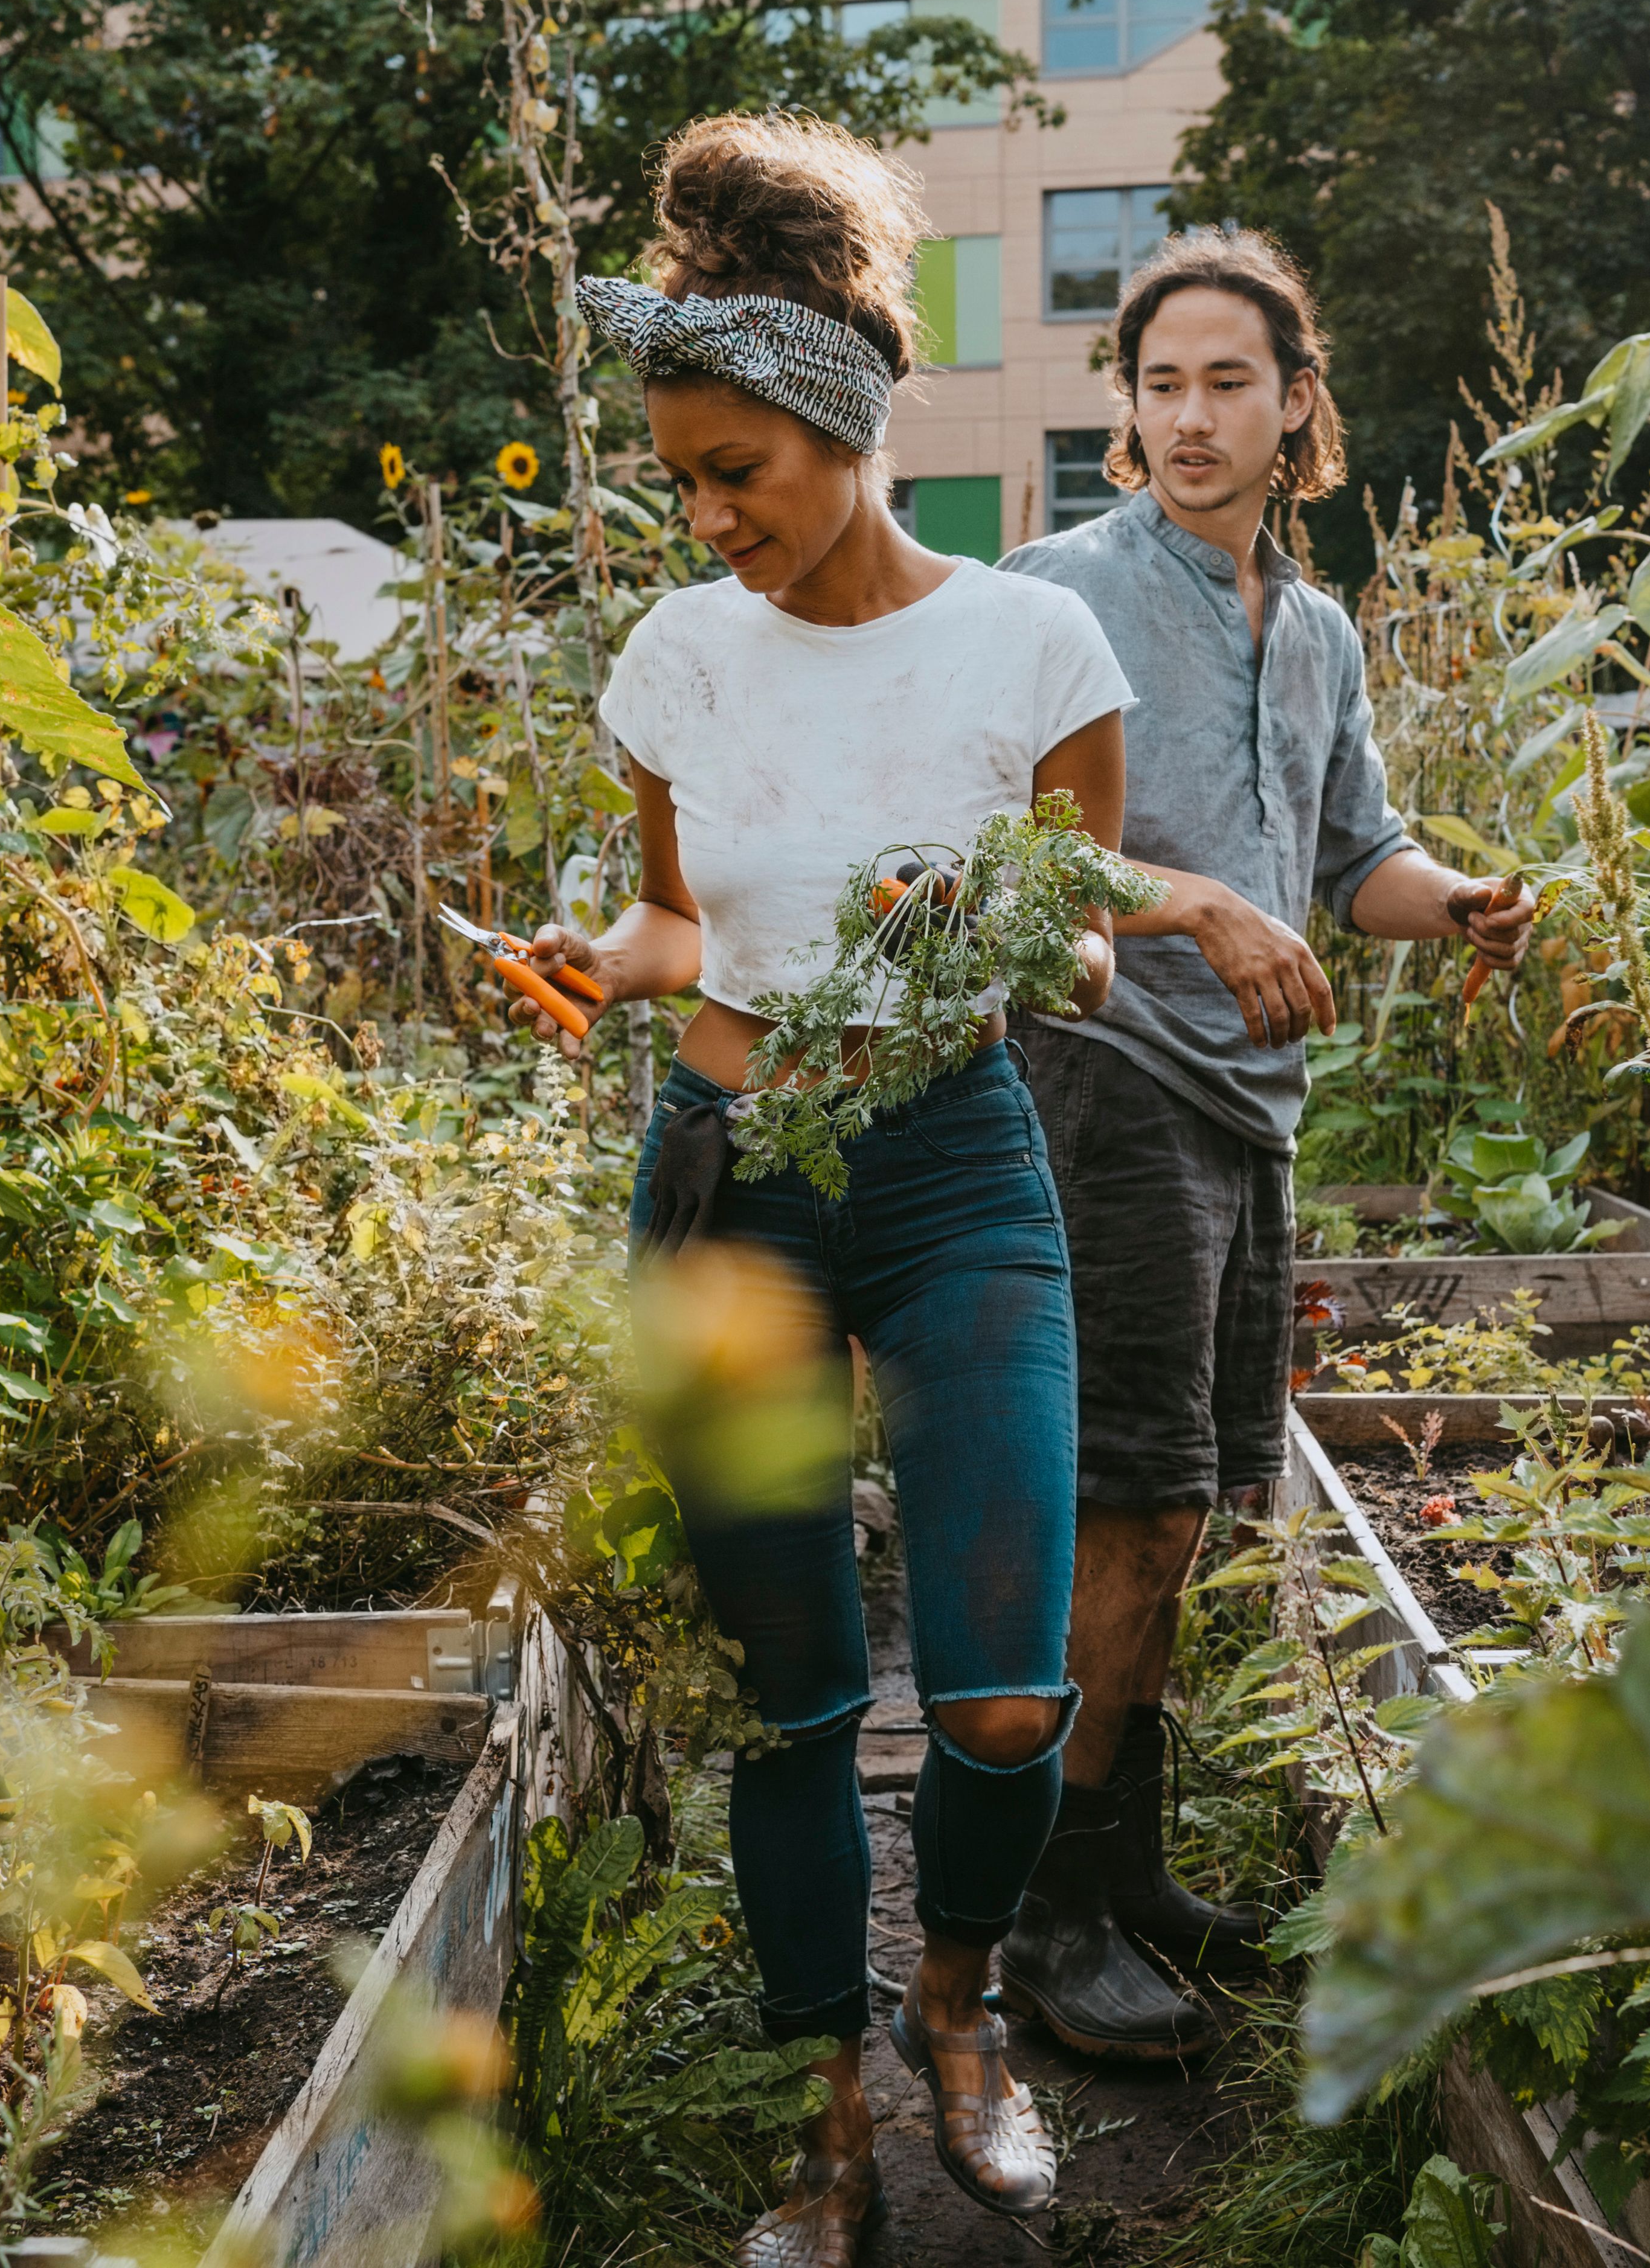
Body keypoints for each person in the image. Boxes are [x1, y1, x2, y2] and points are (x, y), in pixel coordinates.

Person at [501, 116, 1138, 2268]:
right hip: (728, 1182)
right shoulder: (679, 655)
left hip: (954, 1164)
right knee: (787, 1691)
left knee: (999, 1694)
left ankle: (959, 2007)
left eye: (736, 474)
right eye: (679, 481)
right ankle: (826, 2118)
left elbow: (1081, 948)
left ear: (846, 435)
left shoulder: (1035, 651)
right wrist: (602, 958)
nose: (706, 518)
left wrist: (981, 924)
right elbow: (684, 925)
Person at [995, 227, 1535, 2060]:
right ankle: (1045, 1918)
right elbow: (1005, 845)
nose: (1191, 418)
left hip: (1245, 1107)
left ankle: (1125, 1870)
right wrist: (1201, 909)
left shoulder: (1313, 630)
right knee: (1127, 1499)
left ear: (1297, 403)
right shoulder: (1059, 590)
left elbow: (1350, 858)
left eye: (1229, 383)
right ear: (1129, 409)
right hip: (1106, 1078)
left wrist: (1454, 902)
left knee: (1185, 1500)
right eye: (1161, 386)